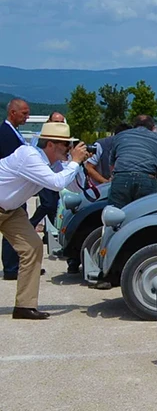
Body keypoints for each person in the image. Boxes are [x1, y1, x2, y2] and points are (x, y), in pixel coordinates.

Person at [0, 121, 89, 318]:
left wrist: (79, 164)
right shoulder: (29, 155)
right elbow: (56, 184)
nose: (70, 148)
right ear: (50, 144)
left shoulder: (53, 163)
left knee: (33, 247)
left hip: (11, 211)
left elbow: (73, 187)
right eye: (66, 145)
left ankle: (24, 306)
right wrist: (74, 161)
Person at [108, 115, 157, 208]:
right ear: (153, 128)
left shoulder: (120, 136)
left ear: (134, 126)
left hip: (121, 178)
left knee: (115, 215)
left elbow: (112, 166)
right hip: (147, 179)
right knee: (143, 215)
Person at [1, 97, 30, 280]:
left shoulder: (13, 132)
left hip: (14, 191)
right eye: (24, 113)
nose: (27, 117)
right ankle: (12, 266)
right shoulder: (5, 133)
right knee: (13, 231)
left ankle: (17, 264)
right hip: (8, 191)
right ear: (13, 113)